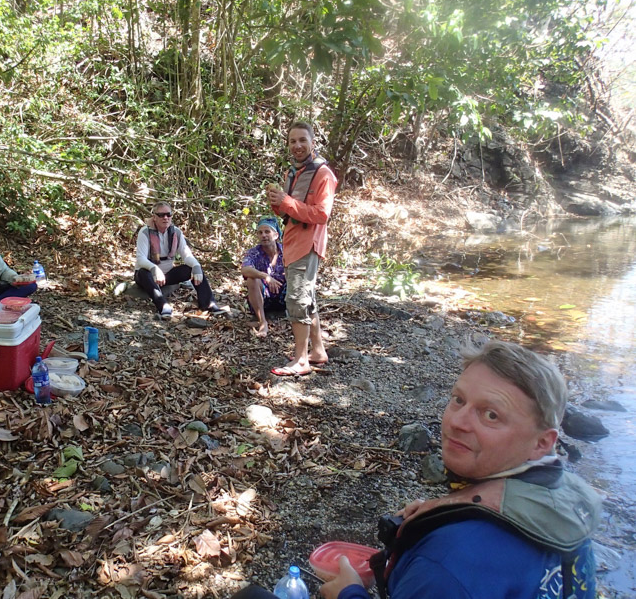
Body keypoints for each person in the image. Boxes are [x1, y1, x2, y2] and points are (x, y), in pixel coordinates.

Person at [317, 339, 601, 599]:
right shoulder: (569, 509)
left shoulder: (445, 563)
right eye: (459, 400)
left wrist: (350, 594)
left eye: (491, 415)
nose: (456, 423)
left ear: (542, 443)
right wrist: (449, 510)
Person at [267, 120, 337, 376]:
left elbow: (321, 214)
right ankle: (316, 351)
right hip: (292, 241)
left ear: (312, 142)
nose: (297, 146)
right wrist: (278, 202)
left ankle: (300, 361)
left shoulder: (323, 174)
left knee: (297, 299)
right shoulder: (294, 172)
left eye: (302, 140)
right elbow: (289, 209)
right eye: (292, 141)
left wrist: (285, 202)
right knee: (308, 299)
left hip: (308, 245)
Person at [134, 201, 225, 320]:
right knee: (143, 272)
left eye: (168, 214)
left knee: (191, 268)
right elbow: (140, 259)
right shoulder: (145, 232)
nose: (165, 218)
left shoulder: (176, 232)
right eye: (161, 215)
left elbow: (186, 254)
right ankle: (163, 306)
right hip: (148, 275)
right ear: (154, 217)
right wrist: (154, 268)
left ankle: (208, 304)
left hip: (167, 275)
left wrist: (196, 266)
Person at [241, 216, 286, 337]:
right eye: (260, 232)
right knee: (252, 279)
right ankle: (262, 322)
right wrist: (265, 276)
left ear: (276, 235)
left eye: (267, 232)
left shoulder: (287, 250)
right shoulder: (254, 252)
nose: (264, 235)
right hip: (263, 297)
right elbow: (245, 269)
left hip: (285, 295)